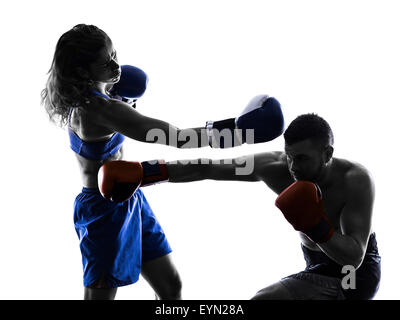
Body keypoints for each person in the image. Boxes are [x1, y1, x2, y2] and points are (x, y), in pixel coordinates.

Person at [41, 24, 284, 300]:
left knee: (171, 287)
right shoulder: (101, 110)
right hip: (102, 211)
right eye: (105, 62)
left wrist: (122, 97)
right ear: (83, 72)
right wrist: (240, 132)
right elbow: (177, 138)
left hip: (130, 196)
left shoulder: (92, 97)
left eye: (114, 54)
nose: (116, 66)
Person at [101, 113, 381, 299]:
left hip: (353, 277)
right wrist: (146, 173)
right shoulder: (274, 167)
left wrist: (314, 225)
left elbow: (353, 258)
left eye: (303, 159)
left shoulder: (355, 181)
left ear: (328, 153)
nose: (294, 167)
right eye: (290, 157)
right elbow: (209, 167)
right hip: (316, 266)